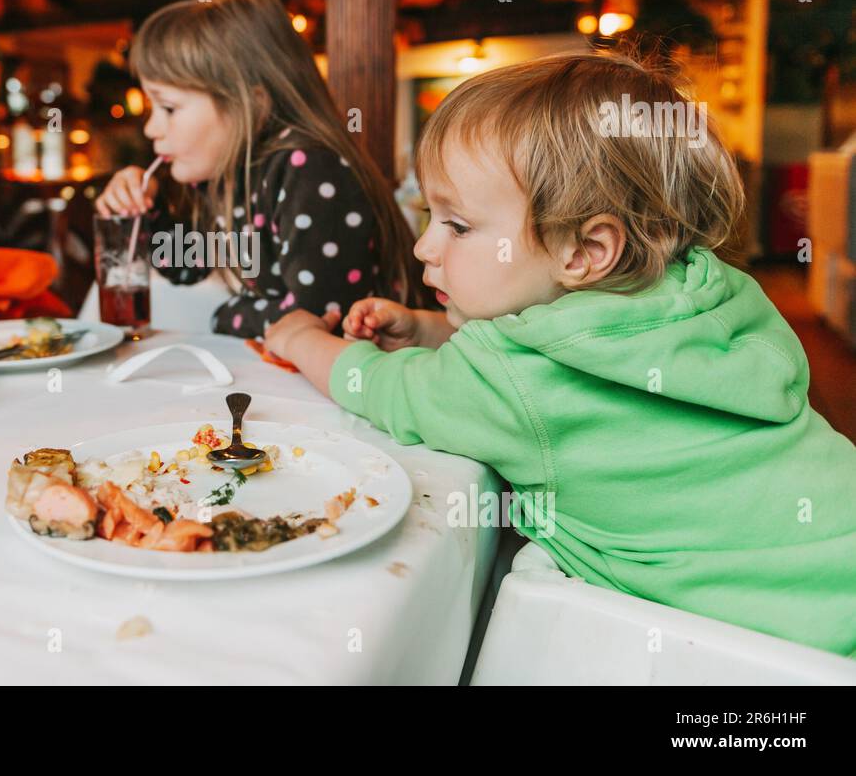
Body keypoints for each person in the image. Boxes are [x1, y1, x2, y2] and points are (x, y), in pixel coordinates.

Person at [264, 51, 856, 656]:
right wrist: (428, 330)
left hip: (792, 661)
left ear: (585, 252)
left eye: (458, 226)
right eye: (428, 216)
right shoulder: (713, 291)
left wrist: (299, 337)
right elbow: (566, 358)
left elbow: (383, 387)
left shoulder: (513, 383)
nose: (424, 247)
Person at [94, 0, 421, 337]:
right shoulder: (235, 175)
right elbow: (185, 266)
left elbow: (321, 317)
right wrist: (146, 208)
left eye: (169, 108)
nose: (151, 128)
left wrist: (227, 316)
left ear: (251, 104)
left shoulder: (307, 167)